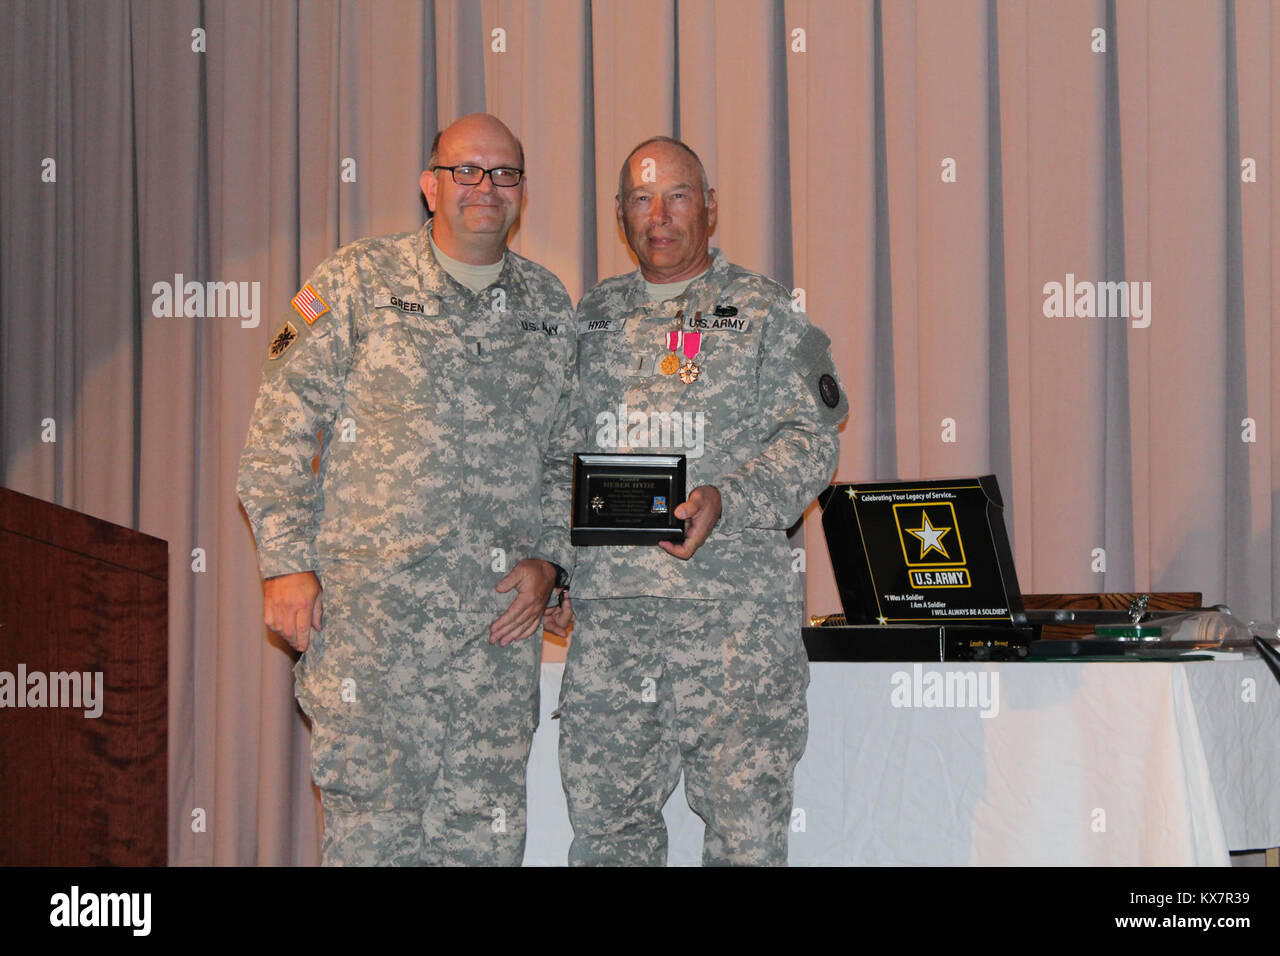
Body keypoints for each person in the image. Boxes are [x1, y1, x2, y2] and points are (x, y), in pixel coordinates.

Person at [237, 113, 575, 866]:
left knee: (482, 840)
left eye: (504, 173)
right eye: (466, 170)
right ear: (431, 185)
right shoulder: (356, 280)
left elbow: (564, 455)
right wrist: (285, 562)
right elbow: (281, 424)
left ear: (521, 192)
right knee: (373, 839)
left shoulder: (550, 308)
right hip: (375, 627)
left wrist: (552, 561)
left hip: (494, 633)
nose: (485, 187)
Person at [546, 136, 848, 865]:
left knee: (744, 843)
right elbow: (559, 458)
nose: (660, 215)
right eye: (641, 199)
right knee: (609, 839)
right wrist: (557, 561)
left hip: (734, 629)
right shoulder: (590, 319)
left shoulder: (765, 311)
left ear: (710, 207)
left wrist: (731, 498)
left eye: (678, 195)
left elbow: (813, 440)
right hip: (614, 630)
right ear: (619, 215)